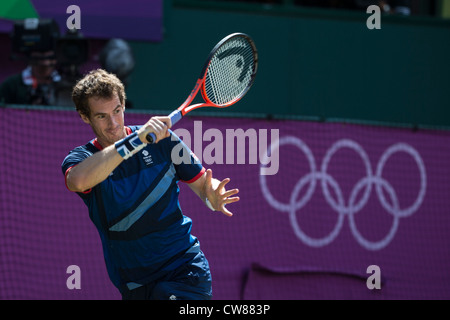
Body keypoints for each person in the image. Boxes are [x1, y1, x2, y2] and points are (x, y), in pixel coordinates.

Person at [61, 69, 239, 300]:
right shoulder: (80, 159)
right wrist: (135, 141)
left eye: (117, 111)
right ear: (85, 117)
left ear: (124, 105)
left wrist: (213, 194)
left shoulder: (164, 142)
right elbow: (78, 181)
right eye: (102, 116)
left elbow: (204, 182)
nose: (114, 123)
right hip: (133, 281)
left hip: (183, 268)